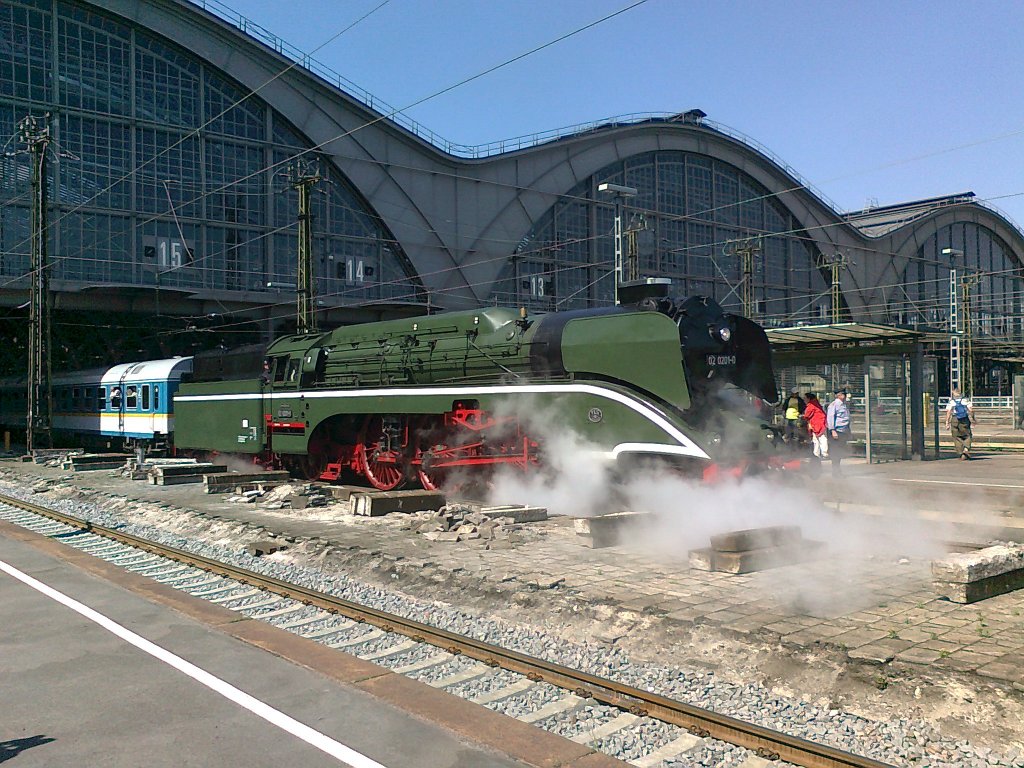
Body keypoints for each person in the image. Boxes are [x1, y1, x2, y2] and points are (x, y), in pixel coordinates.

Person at [826, 388, 851, 477]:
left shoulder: (843, 405)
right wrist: (833, 430)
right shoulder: (834, 405)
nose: (845, 396)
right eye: (843, 394)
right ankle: (835, 472)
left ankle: (837, 470)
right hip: (837, 432)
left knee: (840, 452)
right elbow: (830, 418)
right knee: (836, 452)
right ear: (839, 395)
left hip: (843, 431)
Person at [944, 387, 974, 460]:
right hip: (964, 419)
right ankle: (966, 449)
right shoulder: (965, 400)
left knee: (956, 436)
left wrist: (947, 422)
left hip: (955, 419)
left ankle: (960, 452)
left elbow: (948, 412)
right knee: (968, 435)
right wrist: (973, 419)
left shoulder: (951, 401)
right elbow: (971, 410)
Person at [803, 392, 828, 467]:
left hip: (817, 423)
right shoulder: (816, 404)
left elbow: (807, 415)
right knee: (817, 439)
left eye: (805, 398)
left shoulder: (811, 405)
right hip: (818, 423)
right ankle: (819, 453)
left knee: (820, 438)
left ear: (809, 398)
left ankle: (823, 453)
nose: (804, 400)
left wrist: (802, 416)